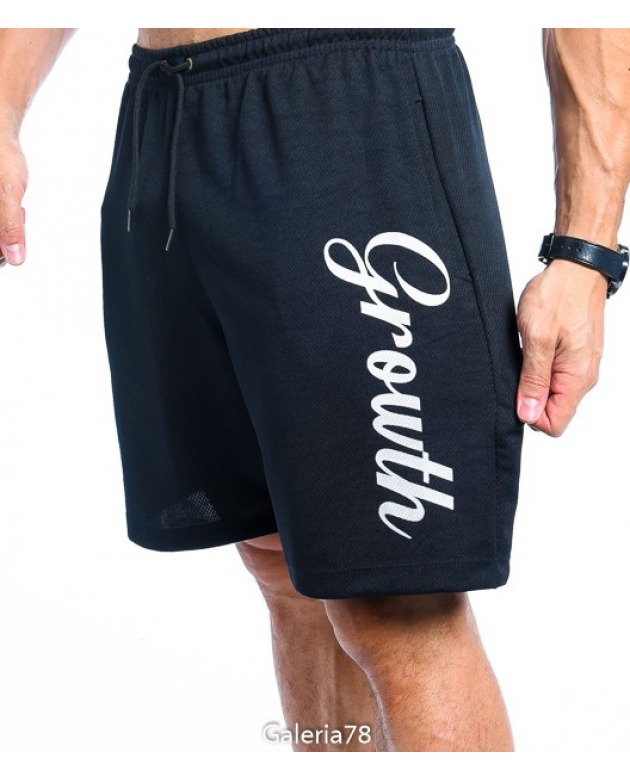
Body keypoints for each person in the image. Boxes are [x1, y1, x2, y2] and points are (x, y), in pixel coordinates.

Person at [0, 27, 628, 753]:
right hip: (164, 119)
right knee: (281, 563)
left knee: (400, 601)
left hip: (346, 103)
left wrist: (585, 251)